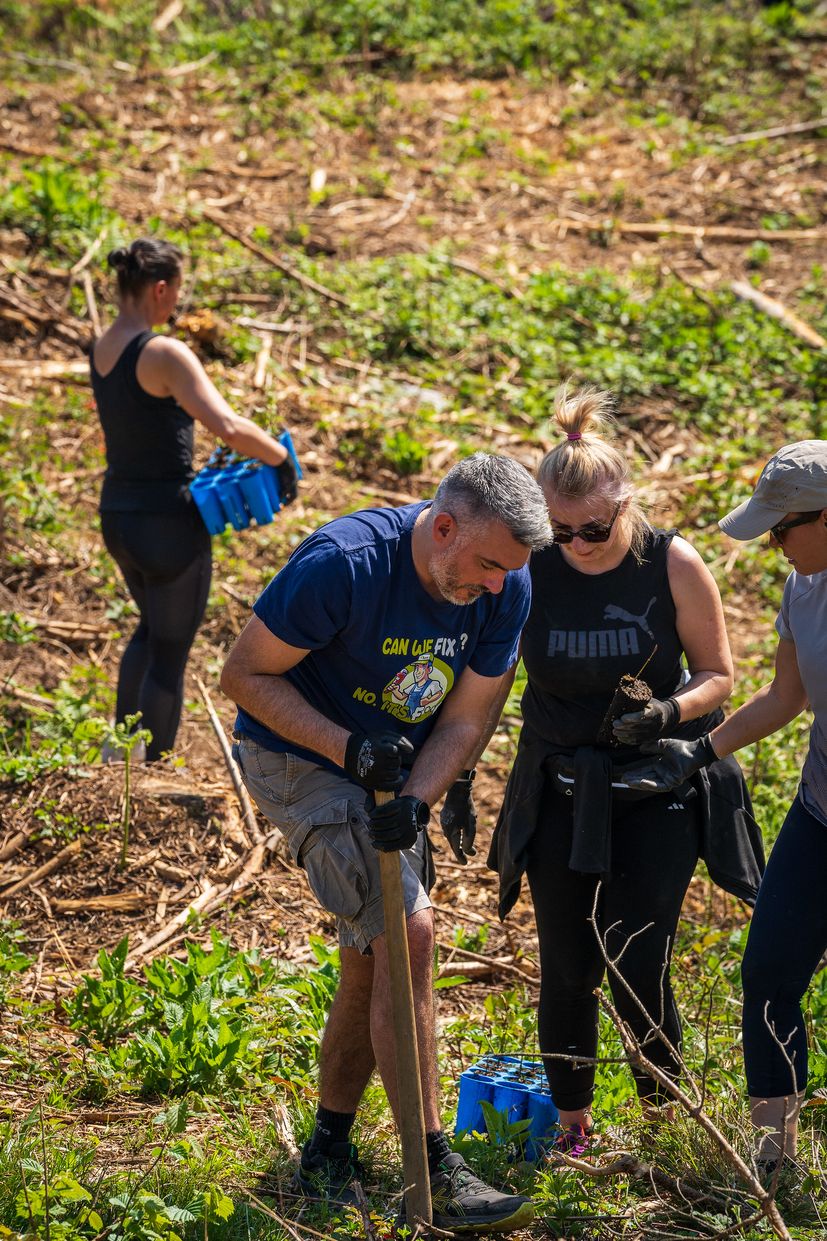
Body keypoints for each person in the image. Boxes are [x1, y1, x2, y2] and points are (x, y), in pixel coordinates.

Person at [220, 453, 550, 1235]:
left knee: (374, 956)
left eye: (511, 570)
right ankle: (431, 1165)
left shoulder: (507, 585)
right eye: (489, 564)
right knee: (408, 931)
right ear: (442, 528)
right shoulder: (345, 565)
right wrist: (346, 748)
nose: (499, 584)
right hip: (297, 755)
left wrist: (414, 798)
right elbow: (244, 675)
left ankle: (327, 1150)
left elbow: (465, 720)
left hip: (389, 768)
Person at [488, 386, 762, 1158]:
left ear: (625, 505)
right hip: (561, 784)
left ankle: (663, 1124)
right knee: (567, 966)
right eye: (559, 528)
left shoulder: (668, 560)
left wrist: (669, 715)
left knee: (637, 960)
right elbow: (487, 677)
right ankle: (573, 1126)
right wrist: (451, 775)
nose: (577, 542)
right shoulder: (528, 567)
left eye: (594, 528)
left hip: (654, 786)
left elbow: (716, 672)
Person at [624, 440, 827, 1176]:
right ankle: (775, 1162)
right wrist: (697, 750)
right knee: (768, 973)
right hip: (818, 812)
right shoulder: (804, 588)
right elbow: (785, 696)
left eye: (781, 529)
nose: (771, 545)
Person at [91, 237, 297, 762]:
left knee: (150, 628)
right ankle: (154, 766)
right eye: (176, 293)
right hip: (167, 523)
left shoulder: (104, 345)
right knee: (169, 651)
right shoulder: (162, 352)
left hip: (118, 515)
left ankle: (123, 752)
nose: (177, 305)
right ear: (160, 289)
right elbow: (227, 425)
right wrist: (280, 458)